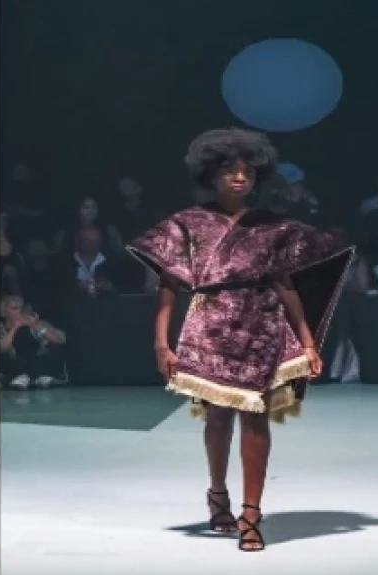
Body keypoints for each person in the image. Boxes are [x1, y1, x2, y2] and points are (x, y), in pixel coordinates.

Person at [128, 129, 352, 552]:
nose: (239, 177)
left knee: (256, 416)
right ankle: (218, 494)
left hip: (261, 324)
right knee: (216, 418)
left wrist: (307, 343)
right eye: (230, 170)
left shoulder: (270, 225)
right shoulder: (187, 224)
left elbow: (285, 286)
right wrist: (161, 344)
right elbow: (168, 287)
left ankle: (252, 515)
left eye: (247, 172)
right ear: (211, 174)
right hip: (209, 325)